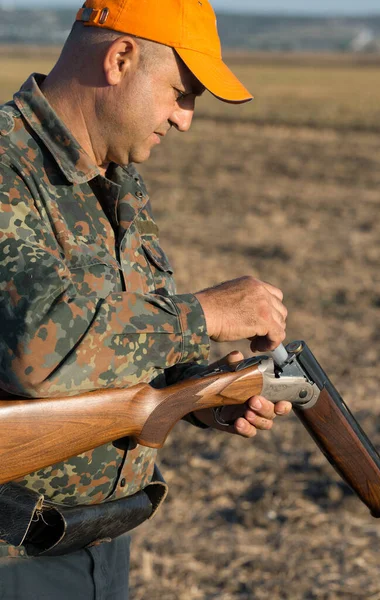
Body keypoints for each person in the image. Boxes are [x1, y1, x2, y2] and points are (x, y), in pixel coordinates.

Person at [0, 0, 291, 598]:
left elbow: (126, 339)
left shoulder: (116, 178)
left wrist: (204, 391)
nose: (185, 119)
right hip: (14, 558)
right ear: (121, 58)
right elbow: (39, 348)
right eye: (181, 93)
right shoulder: (7, 169)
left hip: (104, 544)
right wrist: (205, 314)